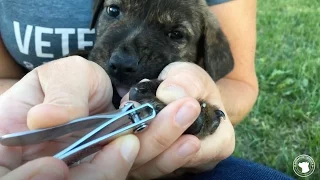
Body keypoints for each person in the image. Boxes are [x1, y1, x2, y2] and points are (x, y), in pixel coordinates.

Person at [0, 0, 294, 179]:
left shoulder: (206, 37)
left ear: (204, 52)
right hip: (37, 151)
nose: (124, 57)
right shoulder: (77, 63)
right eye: (114, 10)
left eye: (175, 34)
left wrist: (199, 110)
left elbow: (238, 84)